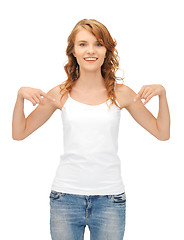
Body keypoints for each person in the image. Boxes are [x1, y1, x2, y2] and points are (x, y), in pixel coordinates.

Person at [12, 19, 170, 240]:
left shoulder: (122, 93)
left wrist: (162, 94)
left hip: (110, 200)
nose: (91, 51)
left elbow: (162, 133)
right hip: (65, 199)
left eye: (98, 44)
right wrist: (20, 96)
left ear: (106, 51)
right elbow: (20, 133)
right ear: (73, 51)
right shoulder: (59, 94)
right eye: (83, 44)